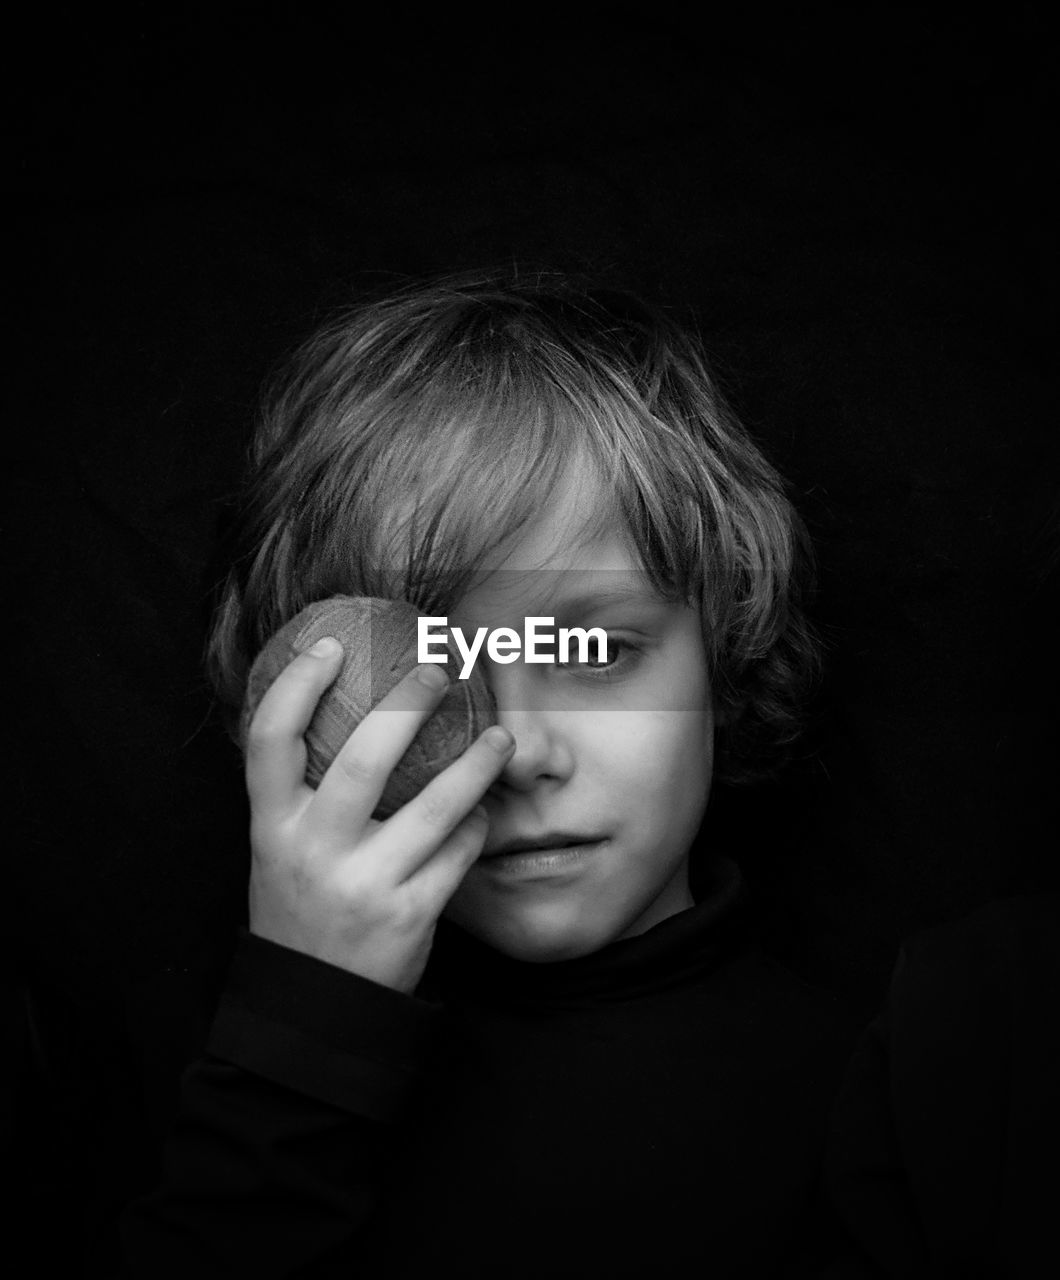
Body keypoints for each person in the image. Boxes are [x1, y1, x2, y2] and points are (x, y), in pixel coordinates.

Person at [121, 271, 858, 1277]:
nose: (517, 752)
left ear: (723, 652)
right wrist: (299, 1034)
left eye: (593, 653)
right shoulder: (203, 1087)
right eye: (436, 672)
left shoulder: (897, 1091)